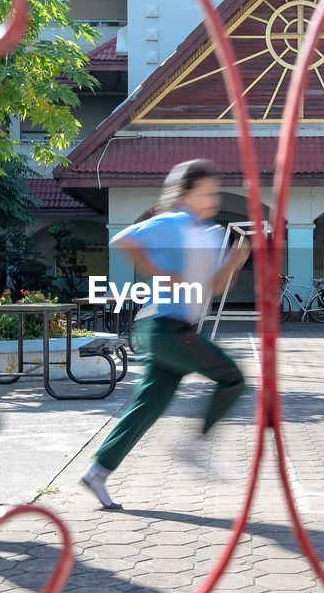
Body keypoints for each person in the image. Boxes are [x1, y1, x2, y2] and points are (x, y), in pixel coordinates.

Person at [80, 159, 251, 511]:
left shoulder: (211, 235)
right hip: (167, 328)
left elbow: (213, 288)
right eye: (206, 192)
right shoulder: (174, 223)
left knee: (147, 406)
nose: (212, 199)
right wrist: (162, 275)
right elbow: (123, 239)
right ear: (186, 193)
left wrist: (233, 263)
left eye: (215, 193)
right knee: (232, 378)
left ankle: (98, 471)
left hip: (173, 331)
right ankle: (194, 447)